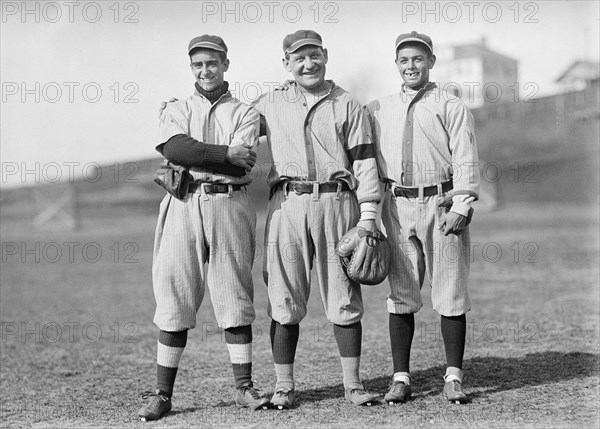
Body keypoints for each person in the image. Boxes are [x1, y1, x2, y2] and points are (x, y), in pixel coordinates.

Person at [139, 34, 268, 421]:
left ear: (225, 64)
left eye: (211, 63)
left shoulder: (245, 112)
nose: (204, 70)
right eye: (197, 65)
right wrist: (223, 151)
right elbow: (175, 149)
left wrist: (216, 156)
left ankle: (244, 387)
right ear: (191, 68)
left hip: (230, 202)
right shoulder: (176, 108)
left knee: (234, 293)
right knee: (174, 294)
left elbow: (240, 164)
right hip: (183, 202)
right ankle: (163, 393)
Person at [252, 30, 382, 409]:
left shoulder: (346, 104)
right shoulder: (269, 103)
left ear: (325, 55)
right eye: (298, 58)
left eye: (314, 56)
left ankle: (353, 384)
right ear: (286, 64)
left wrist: (369, 215)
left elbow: (364, 162)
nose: (308, 64)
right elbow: (234, 130)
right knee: (284, 297)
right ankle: (283, 385)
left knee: (343, 295)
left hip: (338, 203)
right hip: (288, 204)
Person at [364, 31, 480, 404]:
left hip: (441, 203)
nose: (410, 65)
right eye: (404, 60)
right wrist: (371, 211)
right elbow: (369, 163)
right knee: (401, 294)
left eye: (418, 58)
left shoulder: (450, 104)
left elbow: (465, 157)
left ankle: (453, 376)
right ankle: (401, 378)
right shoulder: (377, 108)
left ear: (431, 61)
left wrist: (462, 205)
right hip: (397, 206)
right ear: (396, 64)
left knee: (450, 292)